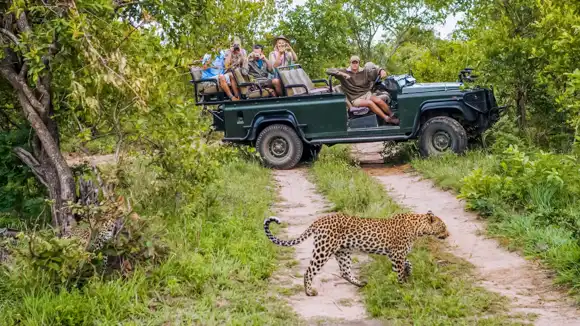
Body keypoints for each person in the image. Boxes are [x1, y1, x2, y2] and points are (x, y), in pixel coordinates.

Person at [326, 56, 399, 125]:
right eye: (353, 63)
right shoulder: (345, 71)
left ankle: (392, 115)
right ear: (350, 63)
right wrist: (342, 74)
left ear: (358, 63)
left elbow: (375, 71)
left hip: (366, 94)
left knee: (378, 100)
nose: (354, 65)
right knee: (370, 103)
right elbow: (328, 70)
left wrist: (381, 71)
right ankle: (386, 118)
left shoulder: (364, 71)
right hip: (355, 98)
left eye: (356, 62)